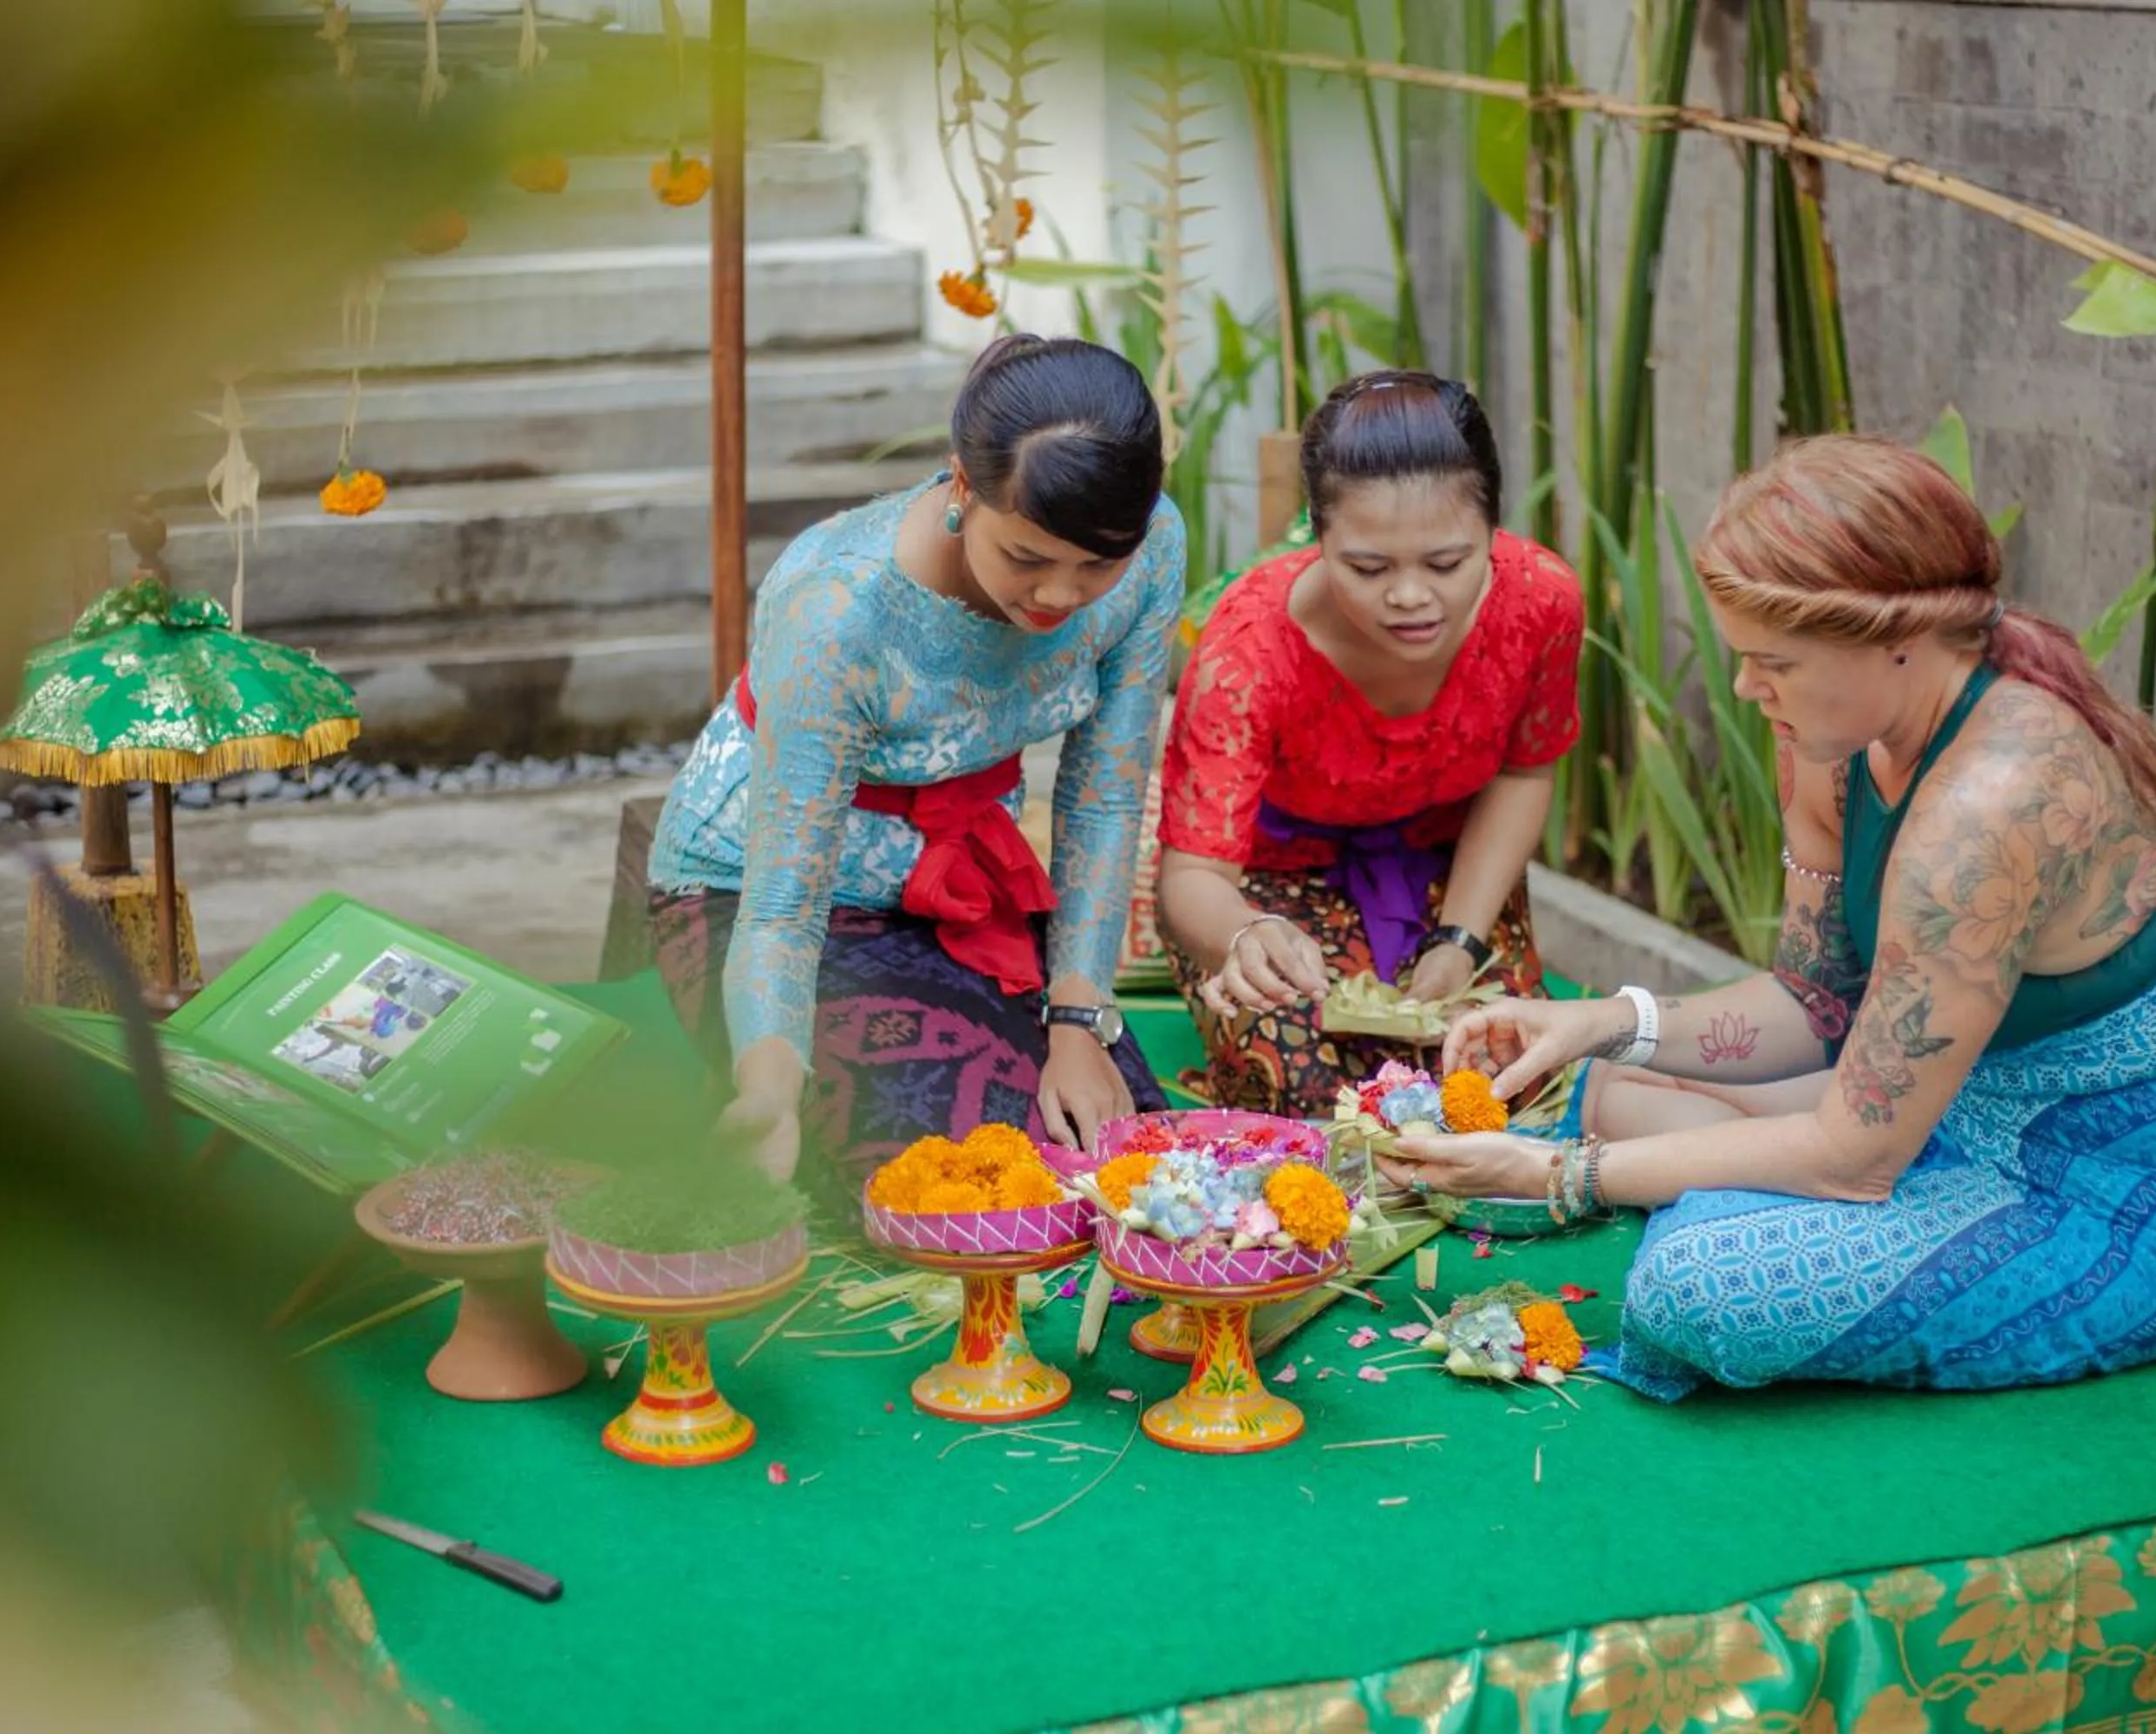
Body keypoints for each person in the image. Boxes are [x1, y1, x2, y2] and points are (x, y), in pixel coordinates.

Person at [1383, 434, 2156, 1400]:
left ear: (1895, 638)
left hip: (2099, 1203)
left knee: (1696, 1285)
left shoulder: (1991, 806)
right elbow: (1815, 1006)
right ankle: (1686, 1162)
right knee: (1606, 1082)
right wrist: (1605, 1019)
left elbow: (1855, 1154)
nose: (1748, 690)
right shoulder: (1837, 740)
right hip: (1943, 1108)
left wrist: (1563, 1175)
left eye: (1774, 663)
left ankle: (1693, 1191)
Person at [649, 335, 1183, 1186]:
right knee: (958, 1176)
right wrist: (770, 1090)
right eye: (1028, 557)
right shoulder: (836, 609)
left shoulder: (1151, 545)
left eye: (1097, 565)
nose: (1060, 595)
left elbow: (1105, 794)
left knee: (1125, 1154)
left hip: (958, 882)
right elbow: (784, 906)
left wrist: (1079, 1020)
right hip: (751, 889)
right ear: (963, 486)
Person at [1152, 370, 1583, 1117]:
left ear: (1493, 530)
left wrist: (1461, 940)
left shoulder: (1541, 600)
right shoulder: (1250, 646)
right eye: (1368, 567)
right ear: (1317, 536)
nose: (1411, 596)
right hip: (1273, 880)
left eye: (1447, 564)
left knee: (1507, 1073)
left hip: (1453, 865)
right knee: (1308, 1093)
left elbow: (1523, 772)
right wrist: (1249, 935)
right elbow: (1191, 878)